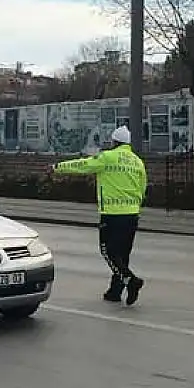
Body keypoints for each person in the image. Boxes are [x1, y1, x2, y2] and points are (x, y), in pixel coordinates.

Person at [51, 125, 148, 305]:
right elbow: (143, 187)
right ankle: (115, 291)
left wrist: (58, 167)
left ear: (114, 142)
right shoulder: (137, 162)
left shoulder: (107, 157)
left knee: (108, 251)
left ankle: (131, 281)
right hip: (132, 214)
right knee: (122, 254)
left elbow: (83, 165)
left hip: (112, 214)